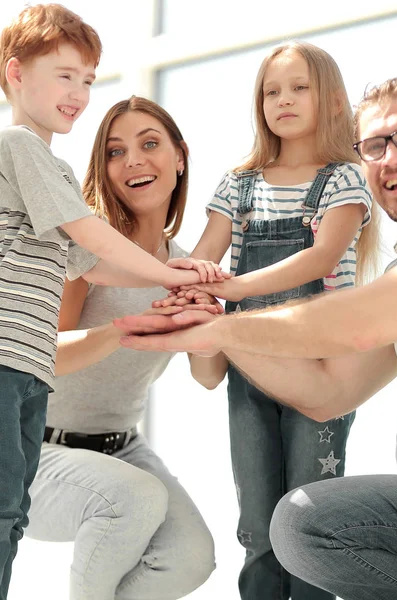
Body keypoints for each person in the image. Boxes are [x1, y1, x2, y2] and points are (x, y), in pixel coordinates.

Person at [115, 76, 397, 600]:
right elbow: (327, 392)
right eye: (376, 146)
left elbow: (360, 324)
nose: (392, 158)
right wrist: (213, 331)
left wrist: (228, 319)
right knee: (302, 522)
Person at [0, 5, 222, 598]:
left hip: (122, 446)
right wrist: (126, 327)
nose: (133, 161)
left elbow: (205, 376)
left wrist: (202, 318)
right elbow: (42, 352)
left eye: (150, 144)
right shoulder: (77, 240)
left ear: (179, 157)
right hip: (41, 446)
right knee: (131, 499)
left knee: (190, 557)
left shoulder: (174, 264)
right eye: (116, 151)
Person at [157, 40, 378, 600]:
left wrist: (228, 287)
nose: (283, 99)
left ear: (331, 101)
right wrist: (183, 291)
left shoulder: (345, 179)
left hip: (324, 371)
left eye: (299, 87)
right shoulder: (239, 185)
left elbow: (320, 258)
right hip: (249, 371)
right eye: (271, 90)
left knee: (310, 520)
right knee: (257, 524)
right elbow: (203, 261)